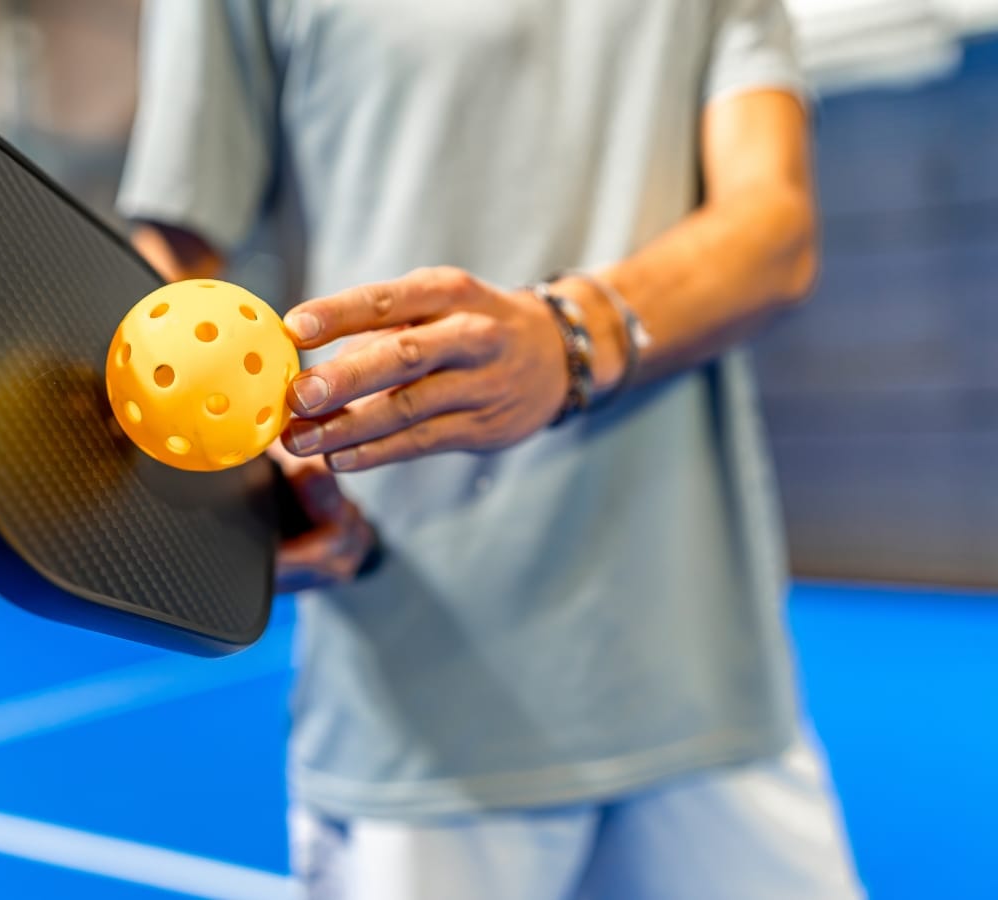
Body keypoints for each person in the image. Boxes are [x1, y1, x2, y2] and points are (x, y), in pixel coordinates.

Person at [118, 1, 865, 897]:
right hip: (420, 704)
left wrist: (568, 337)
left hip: (707, 679)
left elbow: (774, 225)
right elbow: (177, 261)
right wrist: (241, 484)